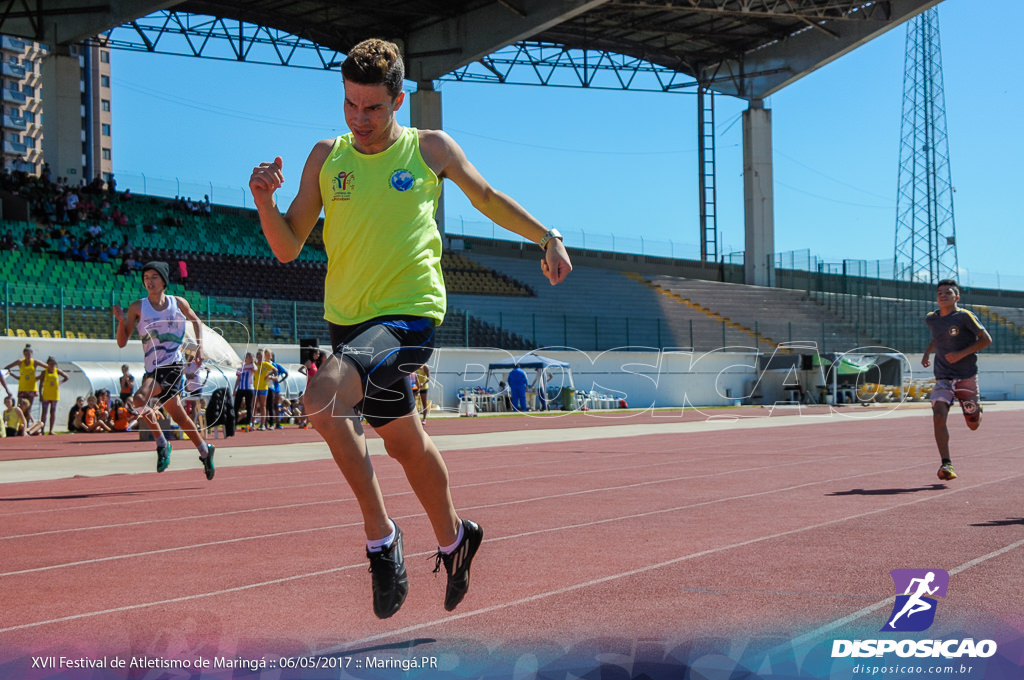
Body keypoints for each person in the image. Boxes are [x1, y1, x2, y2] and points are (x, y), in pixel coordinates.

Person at [248, 38, 572, 619]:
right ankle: (455, 539)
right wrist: (263, 201)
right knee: (403, 442)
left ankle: (381, 539)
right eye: (350, 105)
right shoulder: (328, 157)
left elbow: (488, 196)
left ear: (398, 100)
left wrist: (547, 235)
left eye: (372, 108)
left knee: (321, 399)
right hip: (348, 324)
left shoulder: (430, 150)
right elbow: (288, 245)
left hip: (410, 316)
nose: (359, 119)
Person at [113, 261, 216, 479]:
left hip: (173, 365)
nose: (149, 281)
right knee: (180, 417)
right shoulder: (137, 307)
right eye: (146, 277)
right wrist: (121, 321)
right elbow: (122, 342)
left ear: (164, 281)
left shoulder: (177, 303)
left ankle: (161, 443)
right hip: (153, 368)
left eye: (153, 277)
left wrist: (199, 346)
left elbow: (196, 321)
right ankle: (205, 451)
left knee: (139, 399)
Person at [922, 279, 992, 482]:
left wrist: (961, 354)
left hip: (966, 377)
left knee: (972, 424)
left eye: (948, 292)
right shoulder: (931, 319)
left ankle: (976, 412)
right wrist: (928, 353)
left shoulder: (965, 316)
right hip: (943, 377)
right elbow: (938, 336)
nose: (943, 295)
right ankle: (946, 463)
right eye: (940, 293)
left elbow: (986, 340)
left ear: (957, 297)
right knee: (938, 413)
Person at [5, 344, 46, 414]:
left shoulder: (35, 362)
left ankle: (27, 424)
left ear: (32, 354)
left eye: (29, 354)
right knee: (20, 408)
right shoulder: (20, 362)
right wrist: (12, 374)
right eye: (26, 354)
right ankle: (20, 424)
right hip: (22, 388)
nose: (27, 356)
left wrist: (39, 377)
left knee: (28, 409)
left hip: (31, 388)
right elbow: (7, 368)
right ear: (23, 354)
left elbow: (48, 368)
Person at [37, 356, 69, 435]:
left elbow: (66, 377)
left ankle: (51, 430)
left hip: (54, 395)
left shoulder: (57, 371)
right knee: (44, 412)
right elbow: (41, 384)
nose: (52, 365)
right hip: (46, 394)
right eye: (50, 364)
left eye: (53, 364)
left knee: (53, 412)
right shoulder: (44, 372)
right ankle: (42, 429)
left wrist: (59, 383)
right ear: (47, 364)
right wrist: (40, 395)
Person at [234, 352, 256, 431]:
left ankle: (248, 424)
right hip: (241, 388)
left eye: (249, 357)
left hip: (249, 388)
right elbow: (238, 378)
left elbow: (255, 370)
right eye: (246, 357)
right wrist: (235, 389)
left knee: (249, 406)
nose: (247, 359)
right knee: (236, 406)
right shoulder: (241, 367)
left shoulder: (252, 366)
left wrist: (253, 362)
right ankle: (234, 423)